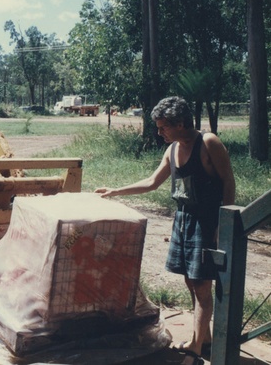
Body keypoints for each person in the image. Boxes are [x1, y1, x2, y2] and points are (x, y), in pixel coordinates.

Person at [95, 96, 235, 365]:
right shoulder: (172, 149)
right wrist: (114, 191)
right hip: (183, 219)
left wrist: (223, 224)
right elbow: (151, 182)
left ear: (180, 123)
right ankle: (203, 337)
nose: (159, 133)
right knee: (189, 280)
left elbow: (229, 181)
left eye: (163, 128)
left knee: (202, 285)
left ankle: (195, 349)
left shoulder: (208, 143)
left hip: (207, 222)